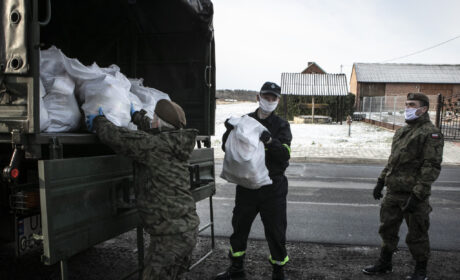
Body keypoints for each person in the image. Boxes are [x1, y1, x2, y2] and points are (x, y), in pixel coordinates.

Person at [85, 100, 200, 280]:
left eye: (155, 117)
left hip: (169, 237)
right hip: (187, 230)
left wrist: (99, 120)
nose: (153, 120)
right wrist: (138, 117)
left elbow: (117, 137)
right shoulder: (176, 141)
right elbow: (154, 131)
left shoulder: (154, 145)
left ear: (159, 122)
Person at [215, 82, 292, 280]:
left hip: (272, 187)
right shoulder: (245, 121)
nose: (269, 101)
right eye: (266, 97)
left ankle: (278, 271)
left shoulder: (282, 125)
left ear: (278, 100)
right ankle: (236, 269)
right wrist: (229, 131)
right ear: (258, 97)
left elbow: (284, 155)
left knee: (276, 232)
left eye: (273, 98)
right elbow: (227, 148)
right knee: (239, 228)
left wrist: (269, 141)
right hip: (247, 186)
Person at [362, 93, 444, 280]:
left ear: (423, 109)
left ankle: (420, 271)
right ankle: (385, 263)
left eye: (411, 104)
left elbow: (431, 166)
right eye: (406, 104)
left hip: (413, 194)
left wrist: (417, 195)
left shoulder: (430, 133)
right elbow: (393, 161)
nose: (407, 107)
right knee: (387, 229)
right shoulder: (402, 132)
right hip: (393, 192)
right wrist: (381, 181)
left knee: (417, 233)